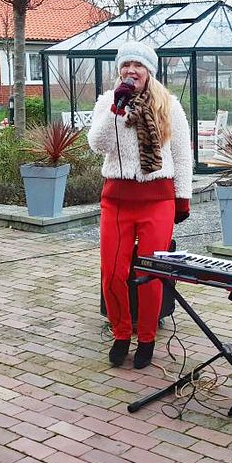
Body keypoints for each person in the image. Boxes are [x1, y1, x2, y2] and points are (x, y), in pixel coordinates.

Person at [88, 41, 192, 369]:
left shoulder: (168, 104)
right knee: (113, 271)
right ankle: (121, 332)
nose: (131, 70)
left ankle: (146, 338)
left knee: (150, 272)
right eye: (126, 64)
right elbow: (97, 144)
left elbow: (181, 154)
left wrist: (182, 197)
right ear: (119, 69)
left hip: (156, 198)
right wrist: (117, 110)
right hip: (117, 198)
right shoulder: (107, 101)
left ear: (150, 71)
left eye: (139, 65)